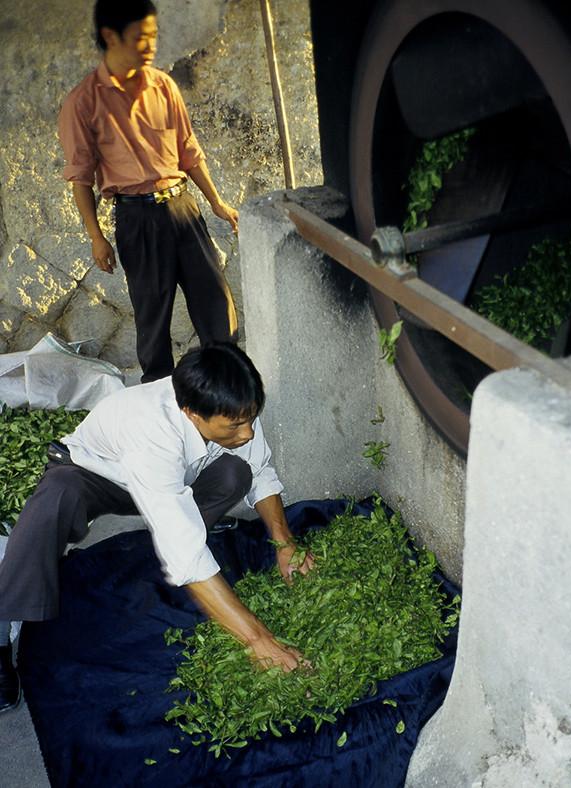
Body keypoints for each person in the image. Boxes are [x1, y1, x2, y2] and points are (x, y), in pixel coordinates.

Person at [0, 342, 315, 713]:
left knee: (236, 472)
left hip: (174, 478)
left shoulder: (231, 403)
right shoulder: (150, 430)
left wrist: (285, 544)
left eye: (250, 419)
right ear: (191, 413)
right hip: (99, 476)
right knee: (55, 498)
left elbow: (259, 469)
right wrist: (260, 642)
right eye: (235, 425)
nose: (246, 433)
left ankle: (188, 521)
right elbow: (187, 554)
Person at [58, 0, 239, 383]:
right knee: (153, 324)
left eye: (154, 37)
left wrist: (216, 202)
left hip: (183, 208)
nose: (151, 46)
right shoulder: (83, 102)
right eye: (142, 38)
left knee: (218, 309)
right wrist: (96, 237)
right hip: (137, 219)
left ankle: (225, 397)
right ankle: (162, 411)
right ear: (110, 37)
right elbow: (80, 177)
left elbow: (189, 151)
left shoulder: (164, 86)